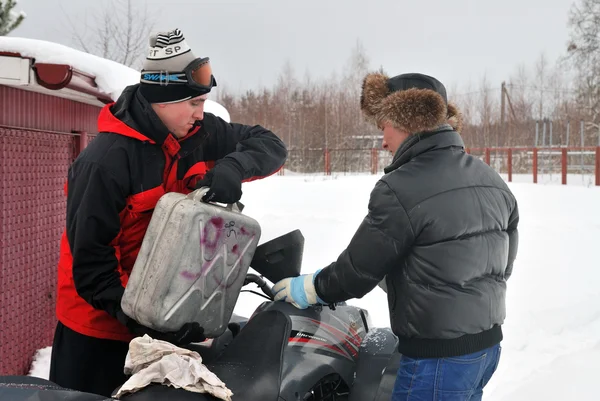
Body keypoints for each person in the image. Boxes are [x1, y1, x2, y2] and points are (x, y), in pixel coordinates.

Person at [50, 28, 287, 397]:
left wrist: (234, 166)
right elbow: (91, 265)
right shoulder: (105, 163)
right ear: (161, 99)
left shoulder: (199, 134)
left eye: (204, 103)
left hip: (167, 317)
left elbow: (270, 144)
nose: (200, 113)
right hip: (99, 329)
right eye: (193, 103)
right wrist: (146, 321)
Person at [273, 72, 519, 400]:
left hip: (435, 357)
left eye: (382, 127)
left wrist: (308, 288)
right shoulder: (490, 179)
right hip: (486, 348)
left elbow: (356, 273)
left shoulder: (400, 189)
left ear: (406, 120)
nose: (383, 141)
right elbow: (502, 262)